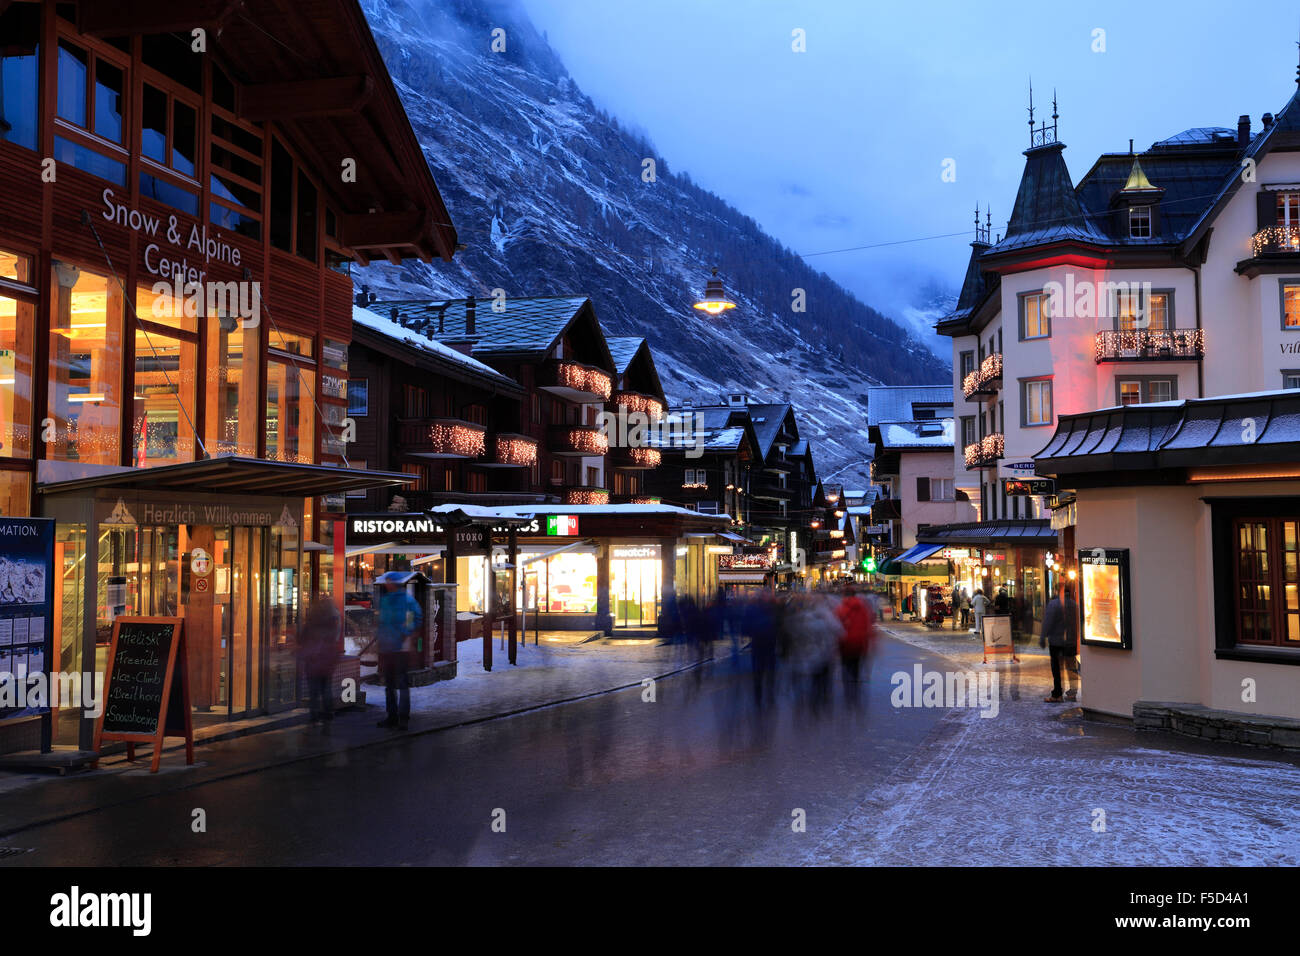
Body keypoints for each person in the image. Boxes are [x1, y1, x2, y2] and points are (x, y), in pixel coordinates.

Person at [376, 574, 422, 730]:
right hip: (391, 647)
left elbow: (413, 618)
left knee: (398, 684)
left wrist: (404, 632)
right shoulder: (391, 600)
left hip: (399, 647)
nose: (387, 584)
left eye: (389, 582)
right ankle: (395, 716)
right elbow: (382, 623)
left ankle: (399, 717)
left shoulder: (404, 600)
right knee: (392, 684)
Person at [297, 596, 341, 730]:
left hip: (313, 660)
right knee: (326, 689)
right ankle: (328, 714)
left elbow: (302, 639)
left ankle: (314, 716)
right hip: (327, 662)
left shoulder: (311, 623)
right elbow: (335, 641)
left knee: (314, 691)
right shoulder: (332, 623)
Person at [835, 587, 875, 709]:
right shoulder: (863, 608)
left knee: (845, 668)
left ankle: (848, 693)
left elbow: (836, 627)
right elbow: (868, 625)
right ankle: (856, 691)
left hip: (845, 644)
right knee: (856, 668)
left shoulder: (841, 608)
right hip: (859, 644)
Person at [1040, 586, 1080, 702]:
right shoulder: (1075, 605)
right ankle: (1073, 693)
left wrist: (1043, 637)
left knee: (1057, 668)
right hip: (1071, 642)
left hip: (1057, 642)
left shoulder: (1054, 604)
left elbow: (1048, 622)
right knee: (1071, 667)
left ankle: (1057, 694)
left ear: (1058, 591)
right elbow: (1078, 623)